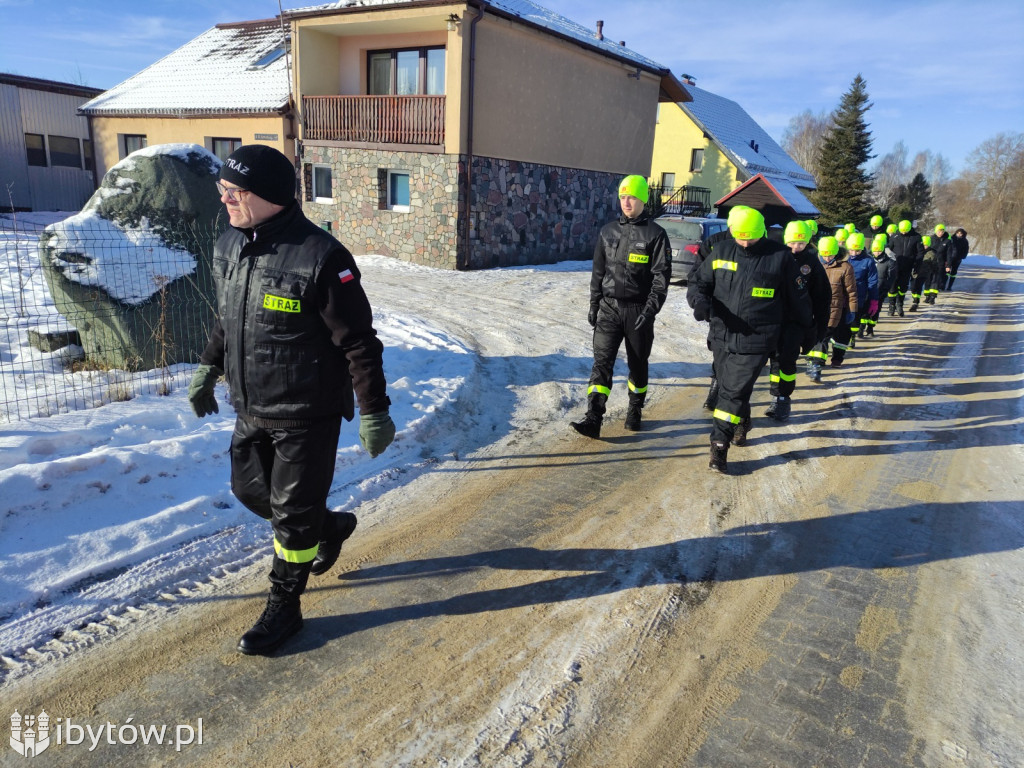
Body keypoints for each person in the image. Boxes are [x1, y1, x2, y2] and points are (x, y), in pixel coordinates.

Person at [188, 144, 396, 655]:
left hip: (307, 412)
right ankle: (331, 526)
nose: (225, 200)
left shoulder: (322, 256)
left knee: (293, 516)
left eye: (234, 192)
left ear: (268, 195)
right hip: (251, 404)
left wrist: (374, 410)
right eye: (222, 190)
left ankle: (285, 605)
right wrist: (209, 366)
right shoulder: (228, 246)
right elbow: (229, 316)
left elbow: (358, 341)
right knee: (251, 492)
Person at [688, 206, 811, 474]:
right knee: (730, 388)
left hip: (757, 338)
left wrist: (807, 333)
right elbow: (699, 283)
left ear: (761, 232)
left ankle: (718, 446)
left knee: (731, 392)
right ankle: (743, 420)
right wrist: (699, 302)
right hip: (721, 334)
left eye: (750, 238)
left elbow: (799, 300)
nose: (745, 243)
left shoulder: (780, 258)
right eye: (740, 237)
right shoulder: (721, 251)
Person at [570, 175, 671, 437]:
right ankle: (593, 418)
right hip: (609, 309)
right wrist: (594, 304)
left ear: (643, 200)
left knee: (638, 363)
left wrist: (650, 310)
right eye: (623, 197)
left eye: (632, 197)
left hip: (639, 311)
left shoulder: (656, 235)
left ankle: (635, 409)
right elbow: (598, 272)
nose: (626, 202)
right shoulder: (608, 231)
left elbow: (661, 279)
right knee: (601, 363)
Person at [766, 220, 829, 420]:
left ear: (807, 243)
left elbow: (822, 297)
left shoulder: (812, 263)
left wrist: (819, 328)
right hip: (773, 319)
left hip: (797, 323)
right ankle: (775, 395)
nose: (796, 247)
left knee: (787, 361)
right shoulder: (775, 257)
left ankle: (784, 398)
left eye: (801, 243)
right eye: (792, 242)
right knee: (775, 360)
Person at [813, 235, 858, 369]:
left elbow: (851, 291)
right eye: (824, 255)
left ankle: (837, 358)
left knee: (841, 335)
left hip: (839, 308)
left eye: (831, 255)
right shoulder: (814, 265)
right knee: (821, 335)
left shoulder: (845, 267)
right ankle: (817, 363)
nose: (827, 258)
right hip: (820, 308)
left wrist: (852, 310)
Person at [887, 219, 924, 316]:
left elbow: (920, 253)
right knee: (892, 287)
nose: (903, 232)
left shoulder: (916, 237)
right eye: (901, 230)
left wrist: (917, 265)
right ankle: (891, 305)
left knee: (903, 287)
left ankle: (900, 304)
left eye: (905, 231)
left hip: (908, 266)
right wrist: (890, 259)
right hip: (895, 266)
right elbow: (888, 249)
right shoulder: (895, 236)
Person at [846, 232, 879, 335]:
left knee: (855, 320)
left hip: (859, 296)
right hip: (843, 295)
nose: (854, 253)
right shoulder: (843, 258)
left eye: (857, 250)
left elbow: (872, 282)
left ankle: (852, 336)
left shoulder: (868, 261)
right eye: (851, 250)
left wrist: (873, 300)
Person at [867, 234, 893, 335]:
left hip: (880, 290)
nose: (877, 253)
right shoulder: (868, 260)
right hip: (868, 289)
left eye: (879, 251)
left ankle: (871, 328)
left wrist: (886, 288)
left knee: (876, 310)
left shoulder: (888, 261)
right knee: (865, 309)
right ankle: (861, 328)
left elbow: (891, 277)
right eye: (875, 250)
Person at [909, 235, 937, 310]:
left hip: (924, 273)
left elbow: (934, 264)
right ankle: (915, 298)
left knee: (918, 287)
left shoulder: (932, 253)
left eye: (926, 245)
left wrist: (933, 271)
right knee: (913, 287)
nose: (924, 246)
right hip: (914, 273)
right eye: (923, 245)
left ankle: (916, 302)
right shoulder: (915, 251)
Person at [930, 224, 951, 300]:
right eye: (939, 231)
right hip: (930, 262)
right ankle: (928, 295)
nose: (940, 233)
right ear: (936, 231)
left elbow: (949, 254)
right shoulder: (931, 239)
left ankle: (933, 296)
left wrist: (948, 265)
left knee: (936, 279)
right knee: (929, 279)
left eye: (942, 231)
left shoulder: (947, 241)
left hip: (941, 263)